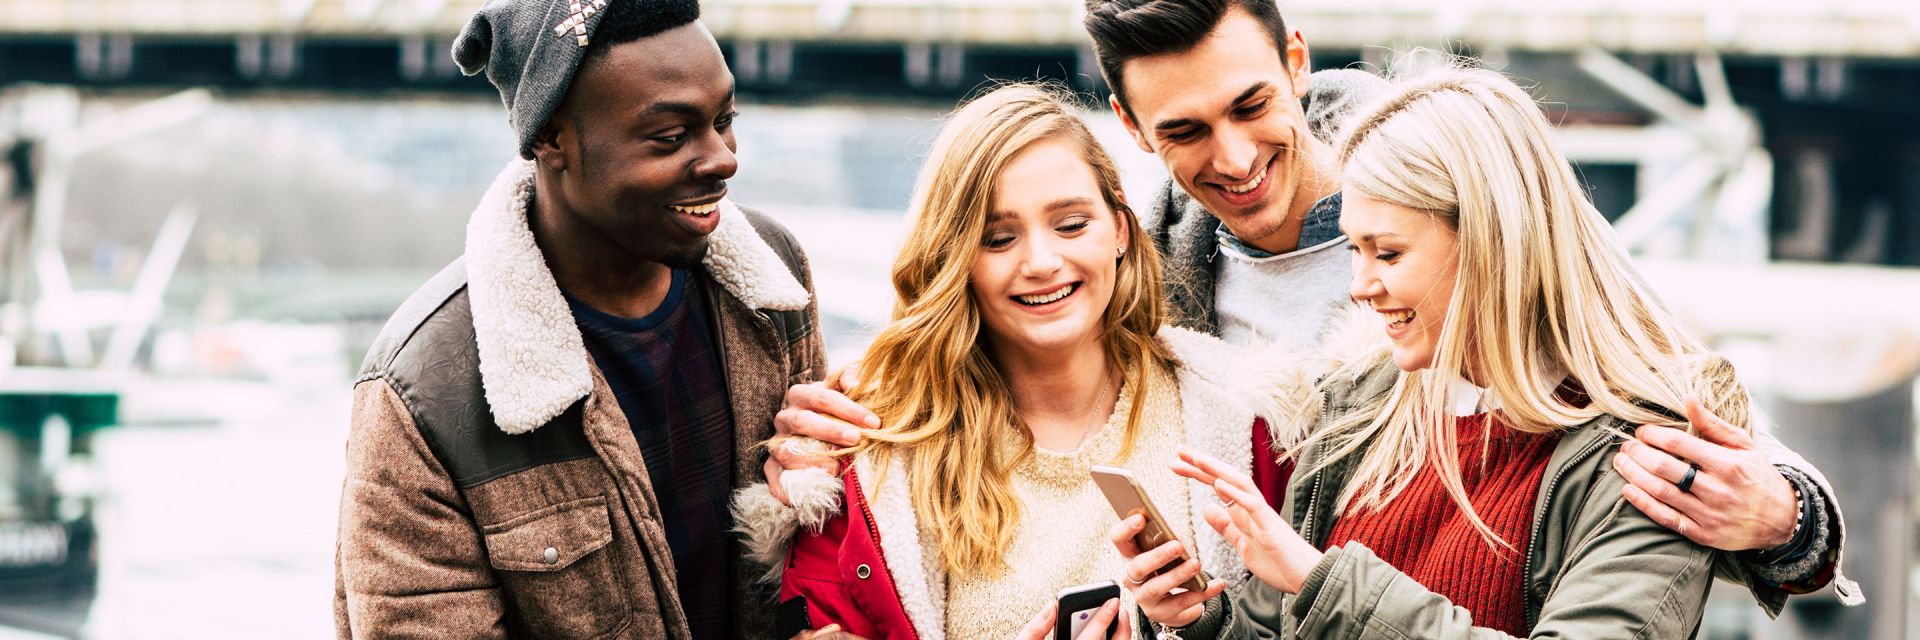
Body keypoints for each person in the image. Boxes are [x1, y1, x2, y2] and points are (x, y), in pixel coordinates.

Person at [768, 0, 1858, 608]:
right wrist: (844, 436)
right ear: (1132, 128)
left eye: (1253, 105)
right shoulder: (1142, 287)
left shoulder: (1466, 192)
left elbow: (1664, 397)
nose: (1236, 159)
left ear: (1296, 58)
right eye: (1186, 132)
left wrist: (1788, 519)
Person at [1118, 66, 1825, 638]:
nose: (1359, 288)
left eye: (1386, 253)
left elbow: (1325, 595)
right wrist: (1205, 619)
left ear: (1491, 241)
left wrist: (1319, 579)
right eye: (1355, 250)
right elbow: (1296, 621)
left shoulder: (1647, 451)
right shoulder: (1362, 399)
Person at [332, 0, 823, 637]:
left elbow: (828, 556)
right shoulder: (421, 396)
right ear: (550, 139)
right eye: (671, 137)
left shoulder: (771, 279)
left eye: (724, 121)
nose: (723, 158)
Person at [729, 83, 1272, 640]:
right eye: (998, 238)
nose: (1041, 262)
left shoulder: (1243, 412)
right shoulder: (864, 451)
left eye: (1071, 224)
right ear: (953, 259)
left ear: (1121, 232)